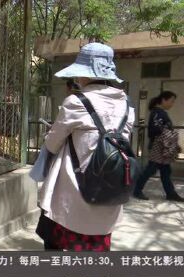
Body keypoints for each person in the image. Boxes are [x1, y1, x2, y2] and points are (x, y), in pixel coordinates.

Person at [36, 42, 135, 252]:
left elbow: (52, 144)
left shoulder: (76, 101)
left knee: (55, 244)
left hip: (74, 191)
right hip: (110, 186)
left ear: (85, 75)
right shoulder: (126, 104)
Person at [133, 91, 184, 202]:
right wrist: (169, 137)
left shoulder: (159, 112)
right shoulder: (158, 113)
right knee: (150, 170)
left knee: (165, 171)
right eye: (171, 101)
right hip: (159, 148)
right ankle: (136, 190)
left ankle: (170, 193)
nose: (172, 104)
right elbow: (154, 130)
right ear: (164, 100)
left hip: (163, 147)